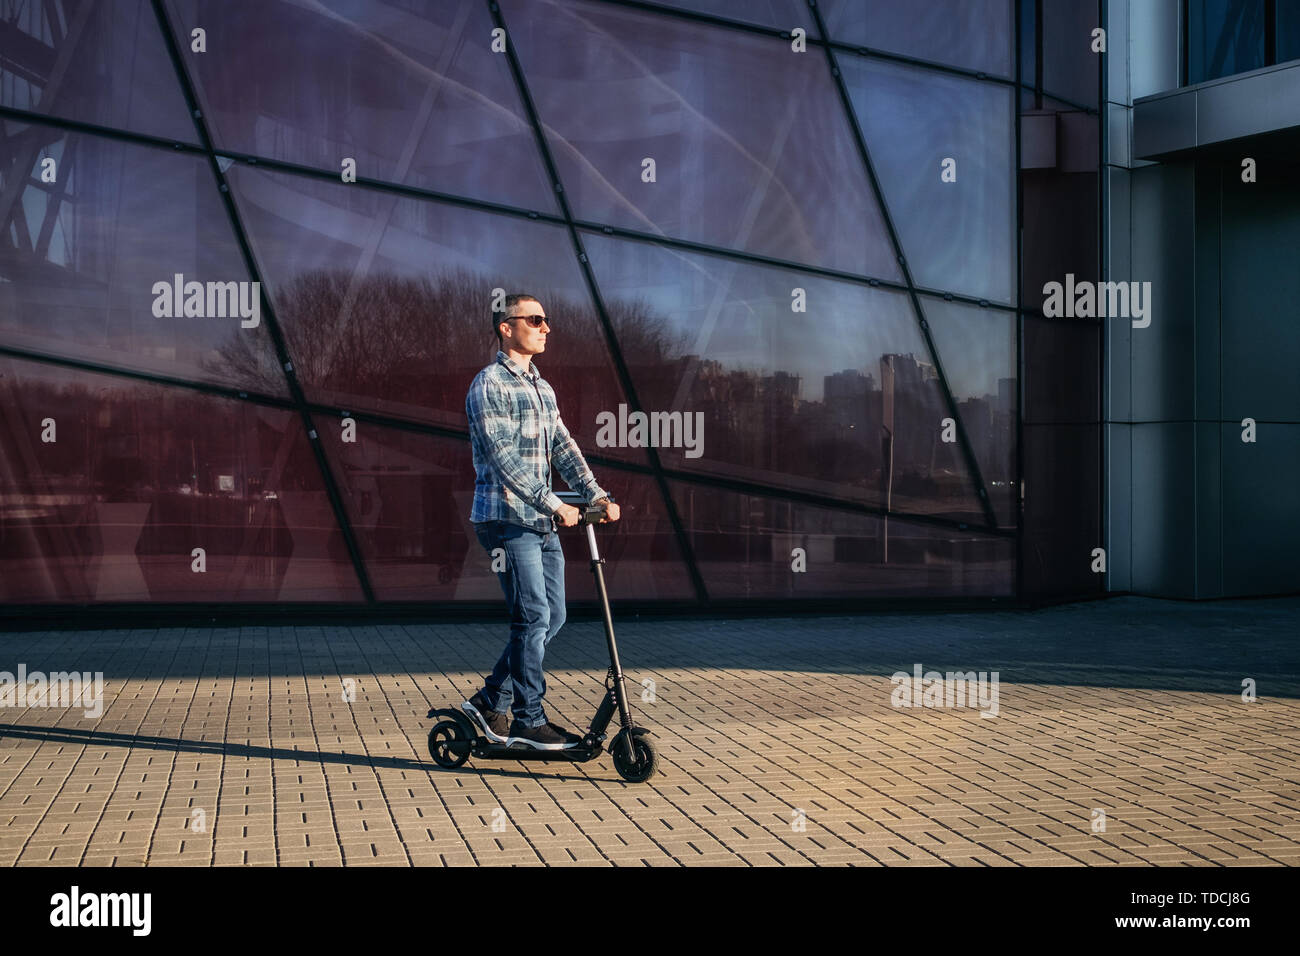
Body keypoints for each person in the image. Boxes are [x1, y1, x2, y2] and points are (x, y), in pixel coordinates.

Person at [462, 293, 621, 749]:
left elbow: (563, 447)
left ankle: (490, 698)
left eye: (546, 320)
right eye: (535, 320)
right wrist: (553, 503)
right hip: (507, 520)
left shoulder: (541, 387)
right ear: (506, 327)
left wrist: (596, 493)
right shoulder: (488, 384)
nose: (546, 327)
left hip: (541, 519)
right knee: (532, 616)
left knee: (553, 616)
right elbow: (504, 460)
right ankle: (527, 719)